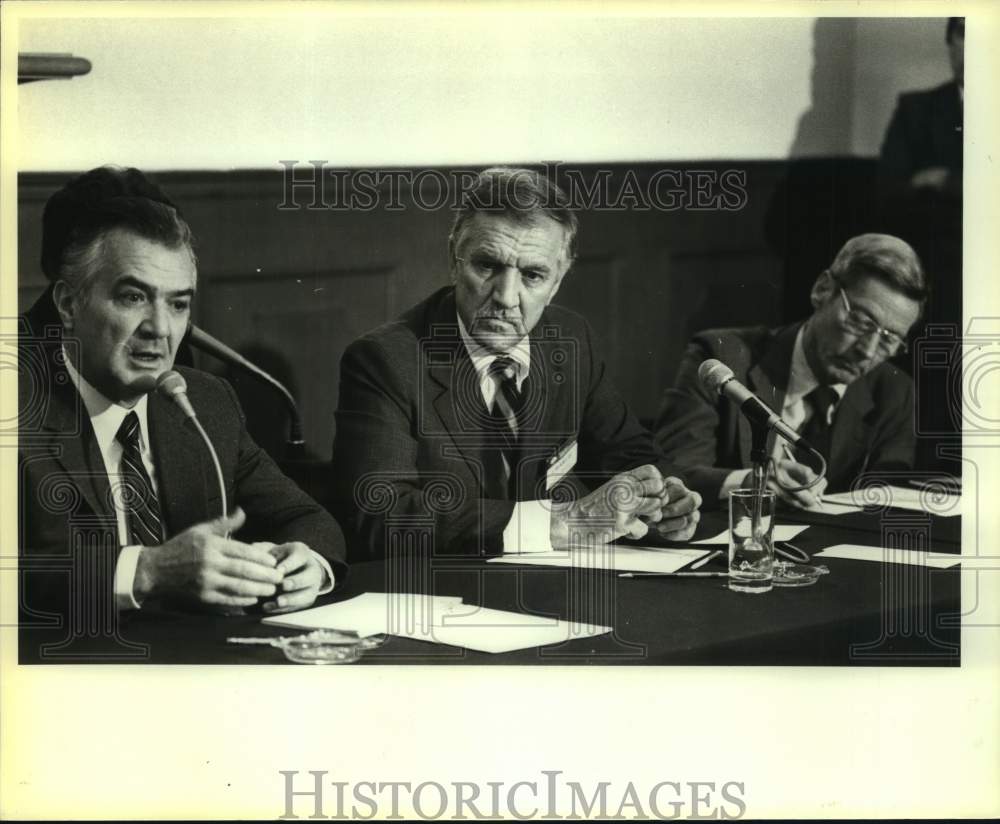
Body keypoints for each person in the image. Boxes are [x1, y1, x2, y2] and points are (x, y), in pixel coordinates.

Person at [18, 166, 347, 630]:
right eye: (133, 297)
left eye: (178, 303)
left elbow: (305, 517)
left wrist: (307, 563)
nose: (161, 329)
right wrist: (149, 571)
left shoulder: (205, 400)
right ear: (70, 306)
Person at [331, 167, 701, 559]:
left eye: (533, 275)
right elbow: (377, 514)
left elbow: (629, 454)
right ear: (455, 260)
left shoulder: (570, 339)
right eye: (487, 266)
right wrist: (565, 522)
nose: (507, 297)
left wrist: (665, 499)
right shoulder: (385, 360)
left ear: (558, 279)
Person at [654, 233, 926, 509]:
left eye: (890, 338)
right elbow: (672, 471)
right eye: (860, 320)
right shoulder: (722, 357)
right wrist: (750, 481)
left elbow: (886, 503)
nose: (867, 351)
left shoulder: (894, 393)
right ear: (823, 290)